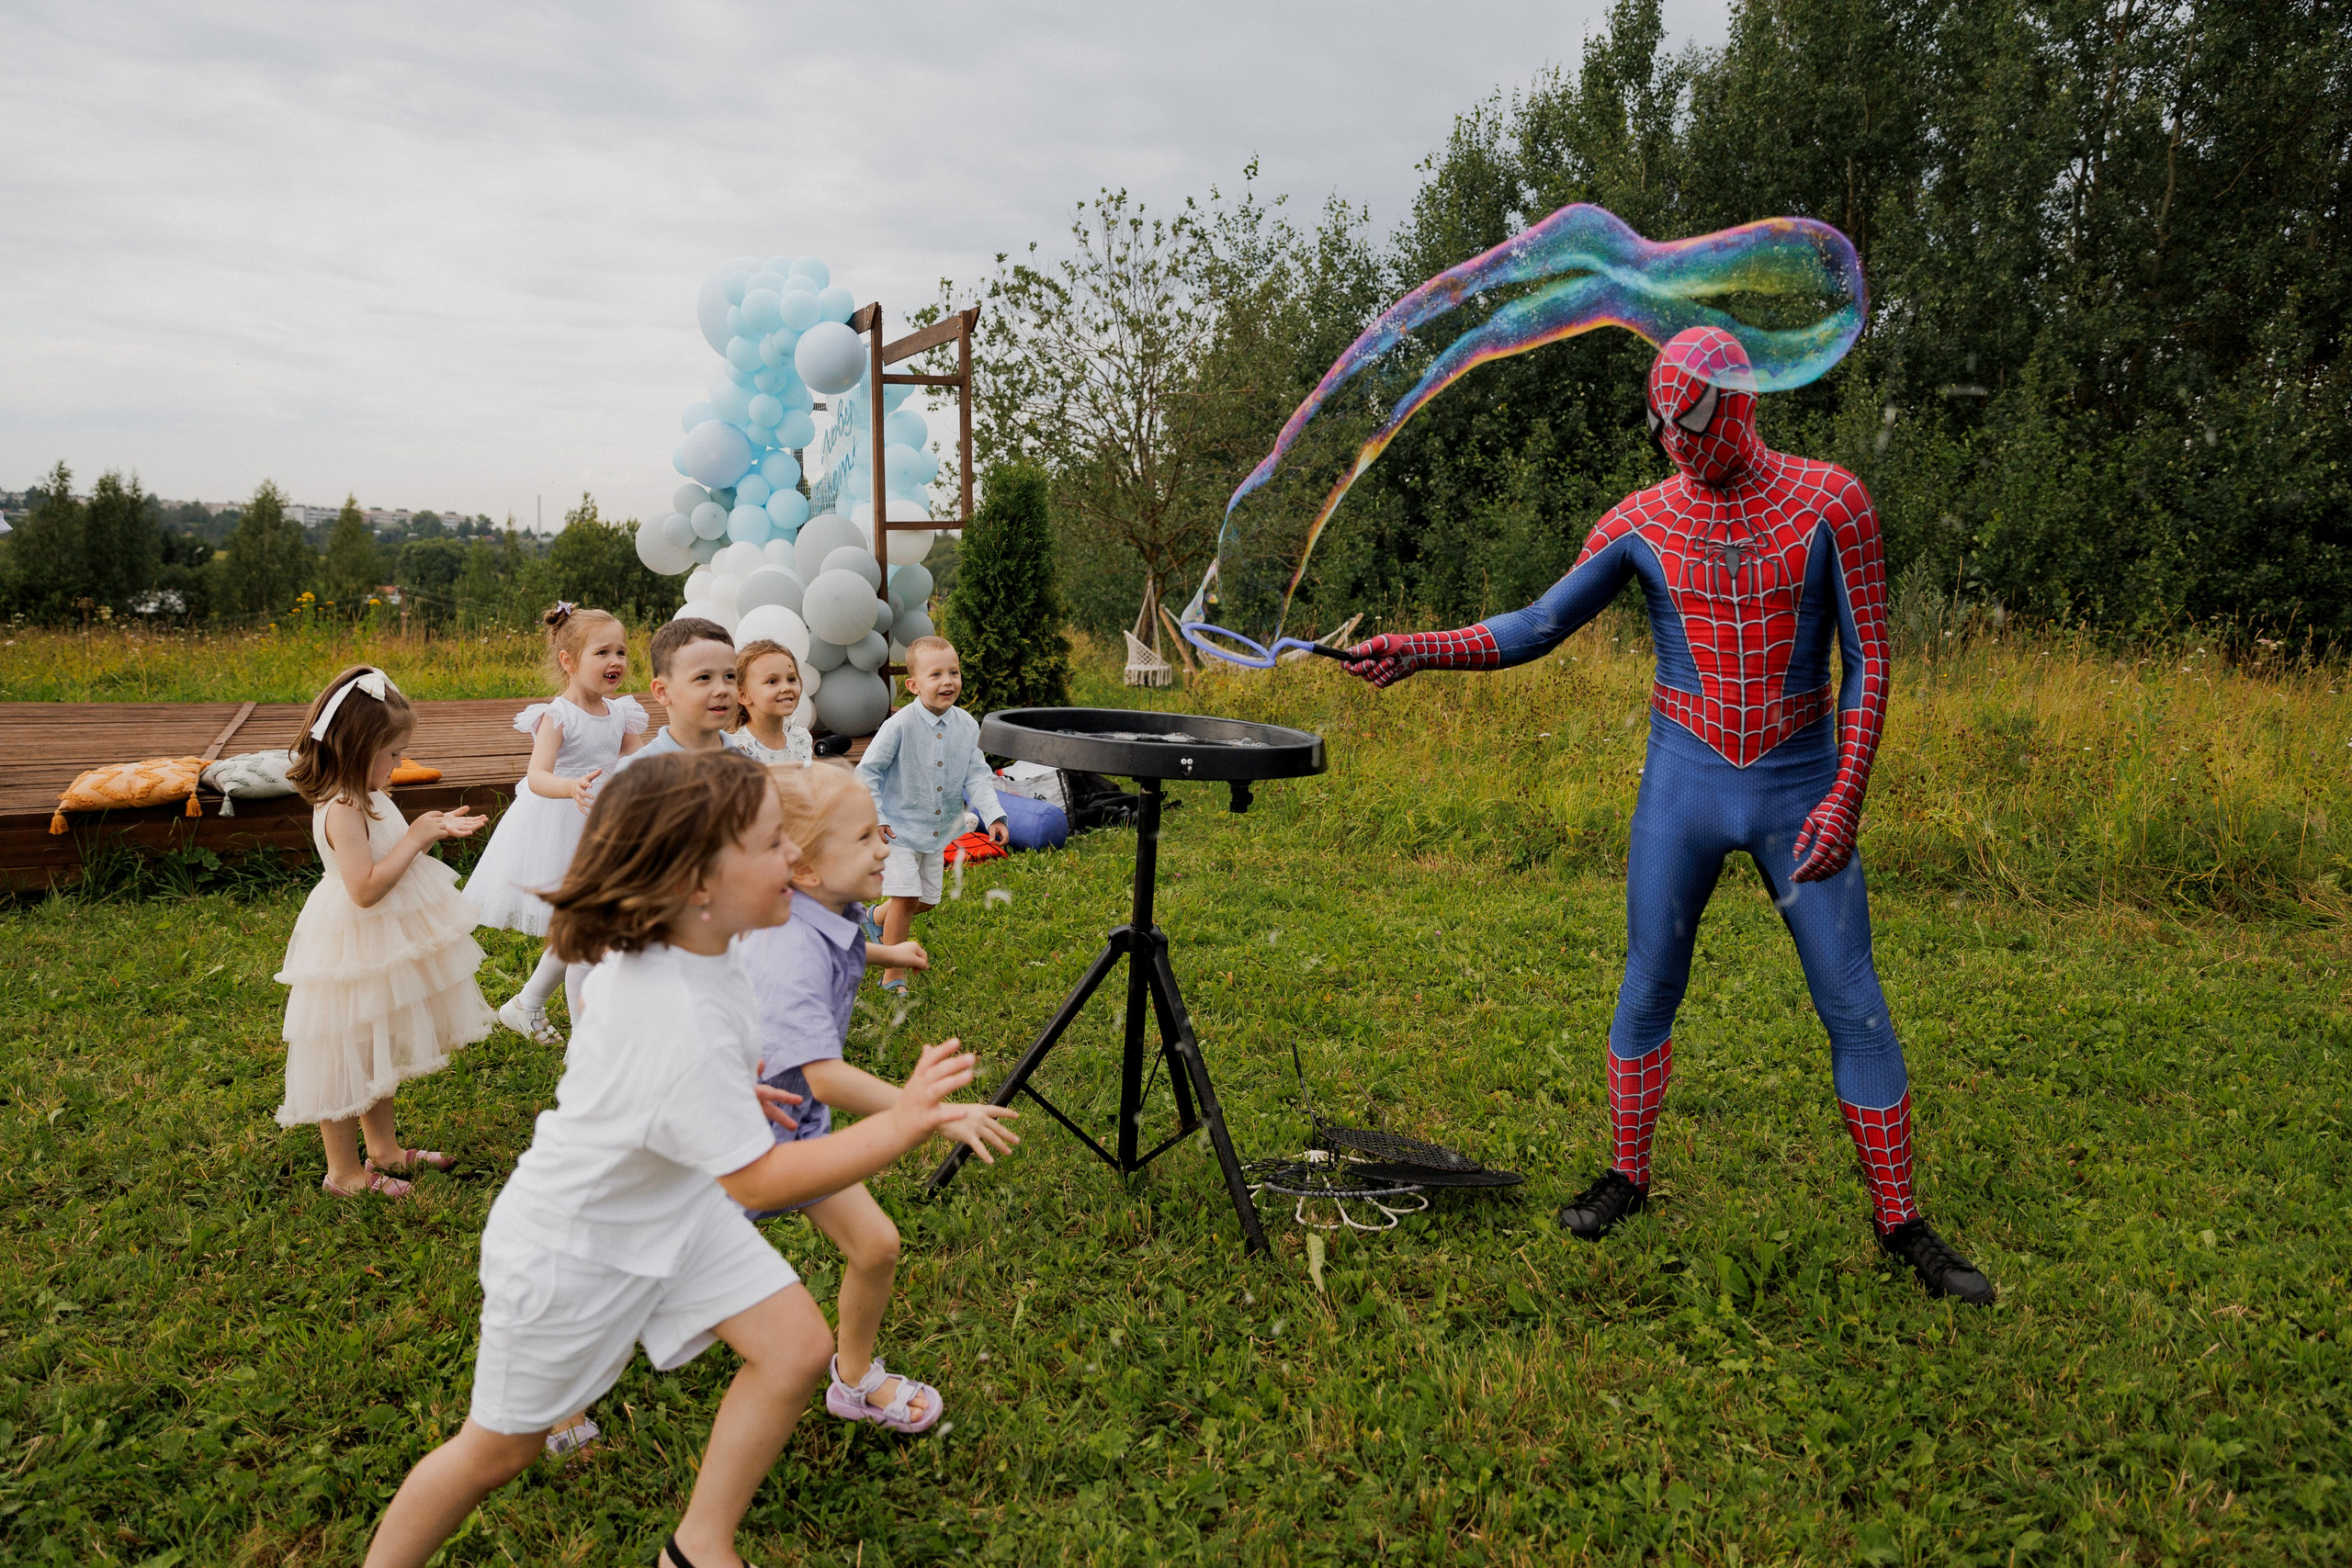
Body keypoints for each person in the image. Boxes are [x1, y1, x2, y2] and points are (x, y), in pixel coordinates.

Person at [1341, 325, 1994, 1305]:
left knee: (1851, 999)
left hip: (1799, 783)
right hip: (1682, 782)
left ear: (1741, 402)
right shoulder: (1640, 518)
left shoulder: (1831, 501)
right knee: (1649, 977)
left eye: (1692, 426)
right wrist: (1425, 647)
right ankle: (1626, 1176)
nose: (1676, 448)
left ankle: (1901, 1222)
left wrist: (1847, 791)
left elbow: (1869, 659)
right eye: (1661, 429)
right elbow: (1536, 624)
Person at [362, 750, 1008, 1568]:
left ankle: (699, 1546)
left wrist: (726, 1089)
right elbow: (760, 1180)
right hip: (577, 1247)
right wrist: (905, 1121)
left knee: (795, 1348)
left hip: (677, 1210)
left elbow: (605, 1003)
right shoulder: (682, 1010)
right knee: (497, 1451)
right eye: (774, 847)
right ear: (698, 882)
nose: (794, 862)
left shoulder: (708, 948)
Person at [740, 761, 1019, 1434]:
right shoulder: (787, 949)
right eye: (865, 838)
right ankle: (560, 1386)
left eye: (881, 832)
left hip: (795, 1130)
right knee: (654, 1281)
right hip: (734, 1147)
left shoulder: (822, 906)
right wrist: (926, 1111)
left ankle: (855, 1379)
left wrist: (888, 955)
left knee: (877, 1245)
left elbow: (842, 945)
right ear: (804, 867)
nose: (884, 849)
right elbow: (825, 1074)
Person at [275, 664, 495, 1199]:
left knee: (376, 1046)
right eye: (393, 753)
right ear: (357, 748)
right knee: (344, 1053)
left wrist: (431, 826)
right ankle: (344, 1174)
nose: (400, 763)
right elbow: (365, 888)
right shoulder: (343, 808)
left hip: (379, 940)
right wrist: (419, 836)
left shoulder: (368, 796)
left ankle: (384, 1151)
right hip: (353, 942)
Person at [465, 603, 649, 1047]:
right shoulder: (558, 715)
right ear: (568, 661)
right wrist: (569, 788)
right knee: (587, 930)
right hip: (563, 824)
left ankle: (527, 1005)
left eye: (621, 652)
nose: (615, 662)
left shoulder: (620, 713)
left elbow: (641, 760)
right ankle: (585, 1043)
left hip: (607, 826)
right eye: (602, 652)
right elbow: (537, 775)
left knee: (586, 927)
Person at [854, 636, 1008, 994]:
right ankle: (893, 974)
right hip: (898, 830)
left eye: (953, 672)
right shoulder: (900, 725)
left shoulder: (967, 725)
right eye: (935, 674)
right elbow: (868, 771)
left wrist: (995, 816)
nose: (947, 681)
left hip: (937, 831)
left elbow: (978, 776)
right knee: (906, 899)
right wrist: (876, 816)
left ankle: (875, 917)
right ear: (913, 685)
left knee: (925, 900)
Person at [618, 616, 754, 766]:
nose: (722, 690)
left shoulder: (749, 769)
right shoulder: (635, 773)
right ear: (662, 692)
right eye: (704, 677)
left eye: (729, 676)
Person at [729, 638, 814, 765]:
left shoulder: (798, 738)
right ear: (743, 695)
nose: (786, 687)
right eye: (772, 681)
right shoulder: (740, 750)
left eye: (791, 679)